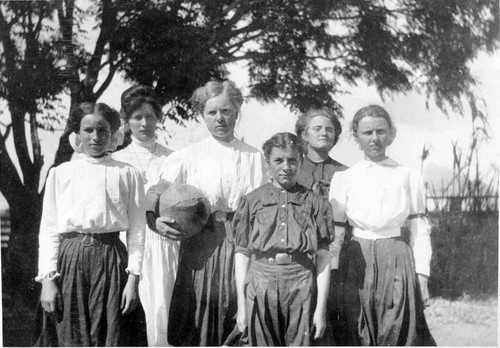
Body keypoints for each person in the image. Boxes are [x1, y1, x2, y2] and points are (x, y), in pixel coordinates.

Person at [146, 80, 266, 346]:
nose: (220, 118)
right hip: (201, 241)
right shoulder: (188, 155)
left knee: (238, 306)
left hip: (242, 241)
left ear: (237, 111)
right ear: (202, 115)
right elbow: (157, 191)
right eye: (212, 113)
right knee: (199, 309)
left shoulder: (254, 157)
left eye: (226, 111)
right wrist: (155, 221)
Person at [36, 102, 145, 346]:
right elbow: (49, 230)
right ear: (77, 133)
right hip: (70, 261)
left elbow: (137, 230)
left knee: (112, 333)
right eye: (88, 130)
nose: (95, 137)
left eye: (102, 130)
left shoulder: (128, 173)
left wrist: (133, 280)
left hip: (111, 259)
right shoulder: (61, 173)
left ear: (113, 134)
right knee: (70, 333)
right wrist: (47, 280)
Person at [329, 105, 436, 346]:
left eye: (381, 131)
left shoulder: (408, 176)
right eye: (367, 133)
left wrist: (422, 276)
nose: (375, 138)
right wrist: (334, 274)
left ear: (391, 134)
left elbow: (420, 230)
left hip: (396, 255)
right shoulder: (345, 178)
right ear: (355, 136)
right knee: (358, 326)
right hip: (357, 257)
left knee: (397, 324)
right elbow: (336, 233)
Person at [233, 132, 333, 346]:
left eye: (292, 160)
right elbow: (242, 253)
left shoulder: (316, 202)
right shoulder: (251, 201)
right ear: (267, 164)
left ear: (301, 162)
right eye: (278, 160)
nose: (286, 167)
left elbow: (323, 257)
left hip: (302, 283)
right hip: (261, 283)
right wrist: (242, 305)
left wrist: (320, 310)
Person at [112, 85, 176, 346]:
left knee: (164, 309)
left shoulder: (173, 158)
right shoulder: (117, 160)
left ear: (158, 118)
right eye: (137, 117)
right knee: (136, 314)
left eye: (150, 116)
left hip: (167, 243)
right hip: (131, 245)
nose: (144, 123)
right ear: (126, 119)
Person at [295, 107, 349, 344]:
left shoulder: (345, 172)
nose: (324, 133)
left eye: (329, 129)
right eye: (317, 128)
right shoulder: (292, 169)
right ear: (304, 135)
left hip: (335, 255)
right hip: (300, 253)